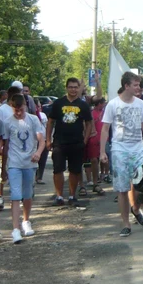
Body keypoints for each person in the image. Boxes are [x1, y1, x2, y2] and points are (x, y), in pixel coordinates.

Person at [99, 72, 143, 237]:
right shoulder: (113, 105)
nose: (139, 88)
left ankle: (135, 208)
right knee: (122, 188)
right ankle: (126, 224)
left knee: (140, 183)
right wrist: (102, 151)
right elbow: (105, 129)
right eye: (136, 85)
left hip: (138, 148)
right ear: (126, 86)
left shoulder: (141, 104)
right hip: (119, 149)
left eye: (139, 85)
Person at [0, 94, 45, 244]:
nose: (18, 113)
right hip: (14, 163)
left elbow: (41, 140)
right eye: (15, 110)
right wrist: (4, 168)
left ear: (25, 106)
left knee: (27, 194)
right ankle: (15, 229)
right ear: (11, 107)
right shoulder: (8, 122)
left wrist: (38, 153)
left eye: (21, 109)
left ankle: (26, 221)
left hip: (29, 163)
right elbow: (6, 146)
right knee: (15, 195)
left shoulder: (33, 120)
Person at [46, 78, 92, 206]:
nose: (73, 89)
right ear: (66, 88)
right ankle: (59, 196)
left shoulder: (83, 105)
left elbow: (89, 123)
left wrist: (85, 139)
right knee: (58, 170)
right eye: (71, 87)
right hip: (60, 142)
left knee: (75, 170)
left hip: (77, 142)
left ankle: (72, 196)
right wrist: (48, 139)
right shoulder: (58, 103)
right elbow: (50, 121)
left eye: (75, 87)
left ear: (79, 88)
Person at [33, 98, 49, 184]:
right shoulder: (32, 116)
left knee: (43, 159)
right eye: (37, 106)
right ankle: (34, 176)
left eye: (40, 106)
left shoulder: (43, 115)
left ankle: (39, 177)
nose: (39, 108)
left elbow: (46, 127)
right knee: (35, 159)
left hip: (43, 138)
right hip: (34, 140)